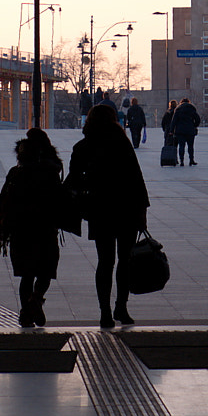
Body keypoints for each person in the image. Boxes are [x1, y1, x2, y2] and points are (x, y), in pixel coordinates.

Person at [66, 101, 150, 327]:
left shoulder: (83, 146)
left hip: (100, 210)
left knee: (105, 262)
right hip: (127, 209)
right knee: (124, 261)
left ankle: (104, 312)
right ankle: (121, 307)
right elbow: (136, 178)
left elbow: (72, 181)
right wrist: (142, 210)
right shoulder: (121, 143)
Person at [0, 128, 68, 326]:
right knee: (46, 270)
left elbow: (3, 198)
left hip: (21, 229)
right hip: (45, 228)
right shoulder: (51, 173)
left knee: (26, 274)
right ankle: (36, 300)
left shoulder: (16, 172)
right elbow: (60, 199)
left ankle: (26, 312)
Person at [174, 97, 202, 166]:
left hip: (180, 131)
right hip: (190, 130)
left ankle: (182, 161)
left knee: (181, 146)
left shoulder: (178, 110)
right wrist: (194, 125)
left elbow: (174, 121)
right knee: (190, 146)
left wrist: (172, 130)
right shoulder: (192, 109)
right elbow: (197, 119)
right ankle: (191, 160)